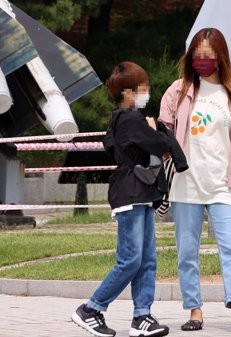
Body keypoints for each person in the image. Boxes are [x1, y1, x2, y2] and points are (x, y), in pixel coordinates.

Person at [159, 28, 231, 333]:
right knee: (187, 251)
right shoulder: (178, 91)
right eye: (197, 54)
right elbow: (163, 134)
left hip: (224, 183)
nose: (202, 59)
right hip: (186, 183)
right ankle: (194, 311)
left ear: (220, 57)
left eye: (208, 54)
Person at [73, 61, 183, 337]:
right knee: (131, 259)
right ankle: (91, 309)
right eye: (142, 87)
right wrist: (154, 130)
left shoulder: (122, 119)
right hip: (131, 194)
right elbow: (160, 145)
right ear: (127, 92)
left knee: (147, 260)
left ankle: (142, 317)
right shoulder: (130, 119)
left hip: (142, 194)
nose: (147, 91)